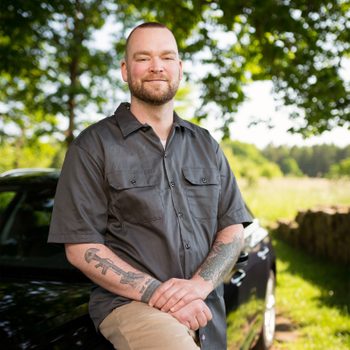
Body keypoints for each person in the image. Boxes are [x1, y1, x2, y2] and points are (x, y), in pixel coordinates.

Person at [48, 22, 252, 350]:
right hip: (131, 307)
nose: (156, 66)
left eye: (166, 57)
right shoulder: (93, 145)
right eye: (143, 58)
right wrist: (161, 294)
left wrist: (198, 287)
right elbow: (81, 246)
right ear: (125, 71)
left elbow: (232, 228)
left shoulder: (206, 144)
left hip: (205, 310)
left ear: (179, 69)